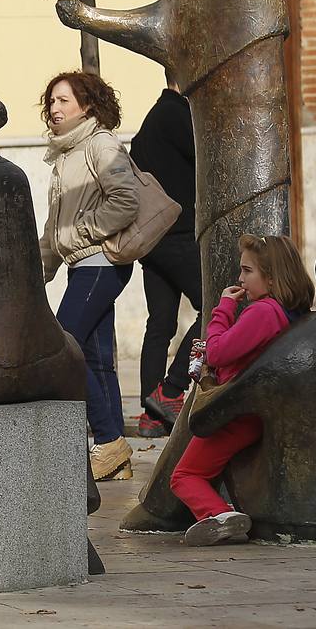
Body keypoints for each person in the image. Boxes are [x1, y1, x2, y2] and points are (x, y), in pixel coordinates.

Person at [170, 234, 314, 546]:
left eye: (247, 271)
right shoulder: (290, 313)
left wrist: (222, 309)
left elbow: (219, 351)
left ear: (272, 279)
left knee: (184, 476)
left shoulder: (262, 312)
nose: (240, 279)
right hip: (261, 411)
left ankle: (221, 516)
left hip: (236, 414)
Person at [39, 71, 140, 482]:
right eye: (50, 101)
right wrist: (39, 273)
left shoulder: (100, 144)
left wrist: (81, 232)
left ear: (87, 105)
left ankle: (108, 439)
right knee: (96, 360)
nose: (54, 109)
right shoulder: (65, 154)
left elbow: (126, 201)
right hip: (84, 264)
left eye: (63, 100)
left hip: (102, 262)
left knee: (65, 348)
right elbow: (53, 226)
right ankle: (117, 458)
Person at [129, 73, 201, 437]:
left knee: (159, 324)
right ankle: (173, 389)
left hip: (153, 241)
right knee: (219, 308)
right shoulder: (177, 114)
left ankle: (151, 415)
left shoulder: (152, 119)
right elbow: (210, 156)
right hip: (179, 235)